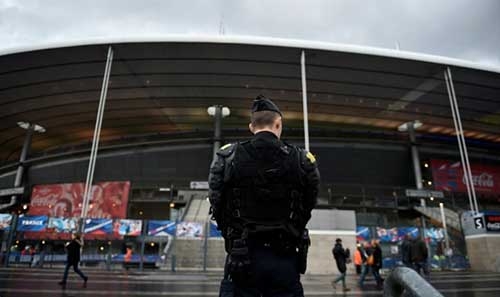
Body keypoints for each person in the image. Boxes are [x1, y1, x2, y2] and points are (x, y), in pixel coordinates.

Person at [208, 95, 320, 297]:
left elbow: (217, 204)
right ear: (278, 124)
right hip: (284, 258)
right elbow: (309, 203)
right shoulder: (302, 160)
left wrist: (233, 237)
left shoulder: (228, 157)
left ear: (252, 127)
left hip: (241, 256)